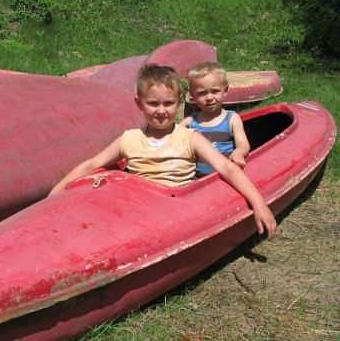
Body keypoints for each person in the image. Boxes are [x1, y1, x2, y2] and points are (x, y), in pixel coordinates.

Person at [48, 64, 276, 239]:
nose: (160, 111)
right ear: (139, 104)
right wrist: (52, 198)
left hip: (174, 212)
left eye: (167, 104)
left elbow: (227, 167)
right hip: (136, 209)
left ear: (178, 103)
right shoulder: (129, 139)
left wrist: (259, 204)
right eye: (152, 104)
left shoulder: (190, 138)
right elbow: (90, 165)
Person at [180, 61, 250, 177]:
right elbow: (171, 139)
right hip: (197, 179)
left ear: (225, 90)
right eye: (202, 93)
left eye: (215, 91)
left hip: (227, 177)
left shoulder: (231, 119)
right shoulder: (189, 122)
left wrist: (238, 153)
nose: (209, 98)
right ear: (192, 95)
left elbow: (243, 143)